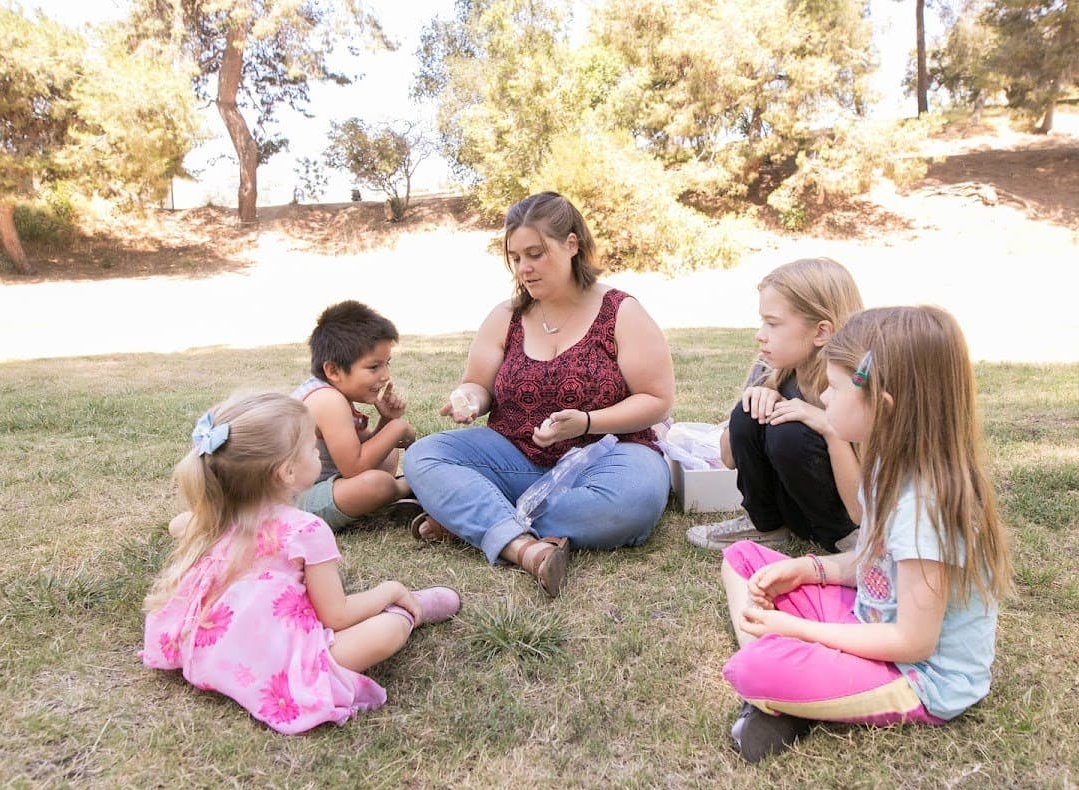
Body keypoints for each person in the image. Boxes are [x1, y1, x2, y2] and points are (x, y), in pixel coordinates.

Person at [720, 306, 1013, 761]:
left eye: (834, 389)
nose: (823, 399)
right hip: (868, 620)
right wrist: (810, 569)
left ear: (883, 405)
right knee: (741, 559)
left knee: (754, 667)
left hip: (917, 675)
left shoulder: (925, 507)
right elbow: (874, 562)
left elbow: (914, 642)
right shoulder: (885, 464)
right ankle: (795, 692)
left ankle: (785, 693)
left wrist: (797, 629)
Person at [404, 191, 675, 597]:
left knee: (633, 502)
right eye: (515, 258)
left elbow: (656, 400)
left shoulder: (621, 311)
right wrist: (470, 400)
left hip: (608, 456)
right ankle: (519, 543)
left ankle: (472, 518)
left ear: (571, 244)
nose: (524, 268)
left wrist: (586, 421)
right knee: (423, 456)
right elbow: (478, 384)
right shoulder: (506, 317)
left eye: (535, 253)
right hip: (517, 456)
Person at [142, 392, 460, 735]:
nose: (318, 454)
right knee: (386, 632)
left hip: (214, 651)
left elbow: (178, 525)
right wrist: (389, 590)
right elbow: (336, 615)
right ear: (287, 472)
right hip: (274, 661)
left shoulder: (214, 516)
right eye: (313, 449)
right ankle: (407, 609)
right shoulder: (306, 530)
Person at [685, 257, 864, 554]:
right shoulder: (770, 370)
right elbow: (728, 460)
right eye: (762, 321)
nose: (760, 334)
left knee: (789, 433)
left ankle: (846, 542)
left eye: (773, 323)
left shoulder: (854, 383)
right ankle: (765, 526)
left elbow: (867, 498)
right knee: (748, 413)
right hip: (794, 509)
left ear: (821, 332)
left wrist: (827, 427)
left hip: (850, 517)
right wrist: (755, 403)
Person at [291, 300, 418, 532]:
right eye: (373, 367)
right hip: (295, 504)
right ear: (333, 370)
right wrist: (397, 428)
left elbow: (365, 449)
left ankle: (399, 487)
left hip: (324, 483)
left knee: (386, 453)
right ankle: (407, 489)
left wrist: (387, 420)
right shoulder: (328, 401)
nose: (385, 376)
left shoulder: (332, 393)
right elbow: (355, 468)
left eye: (386, 364)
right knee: (377, 484)